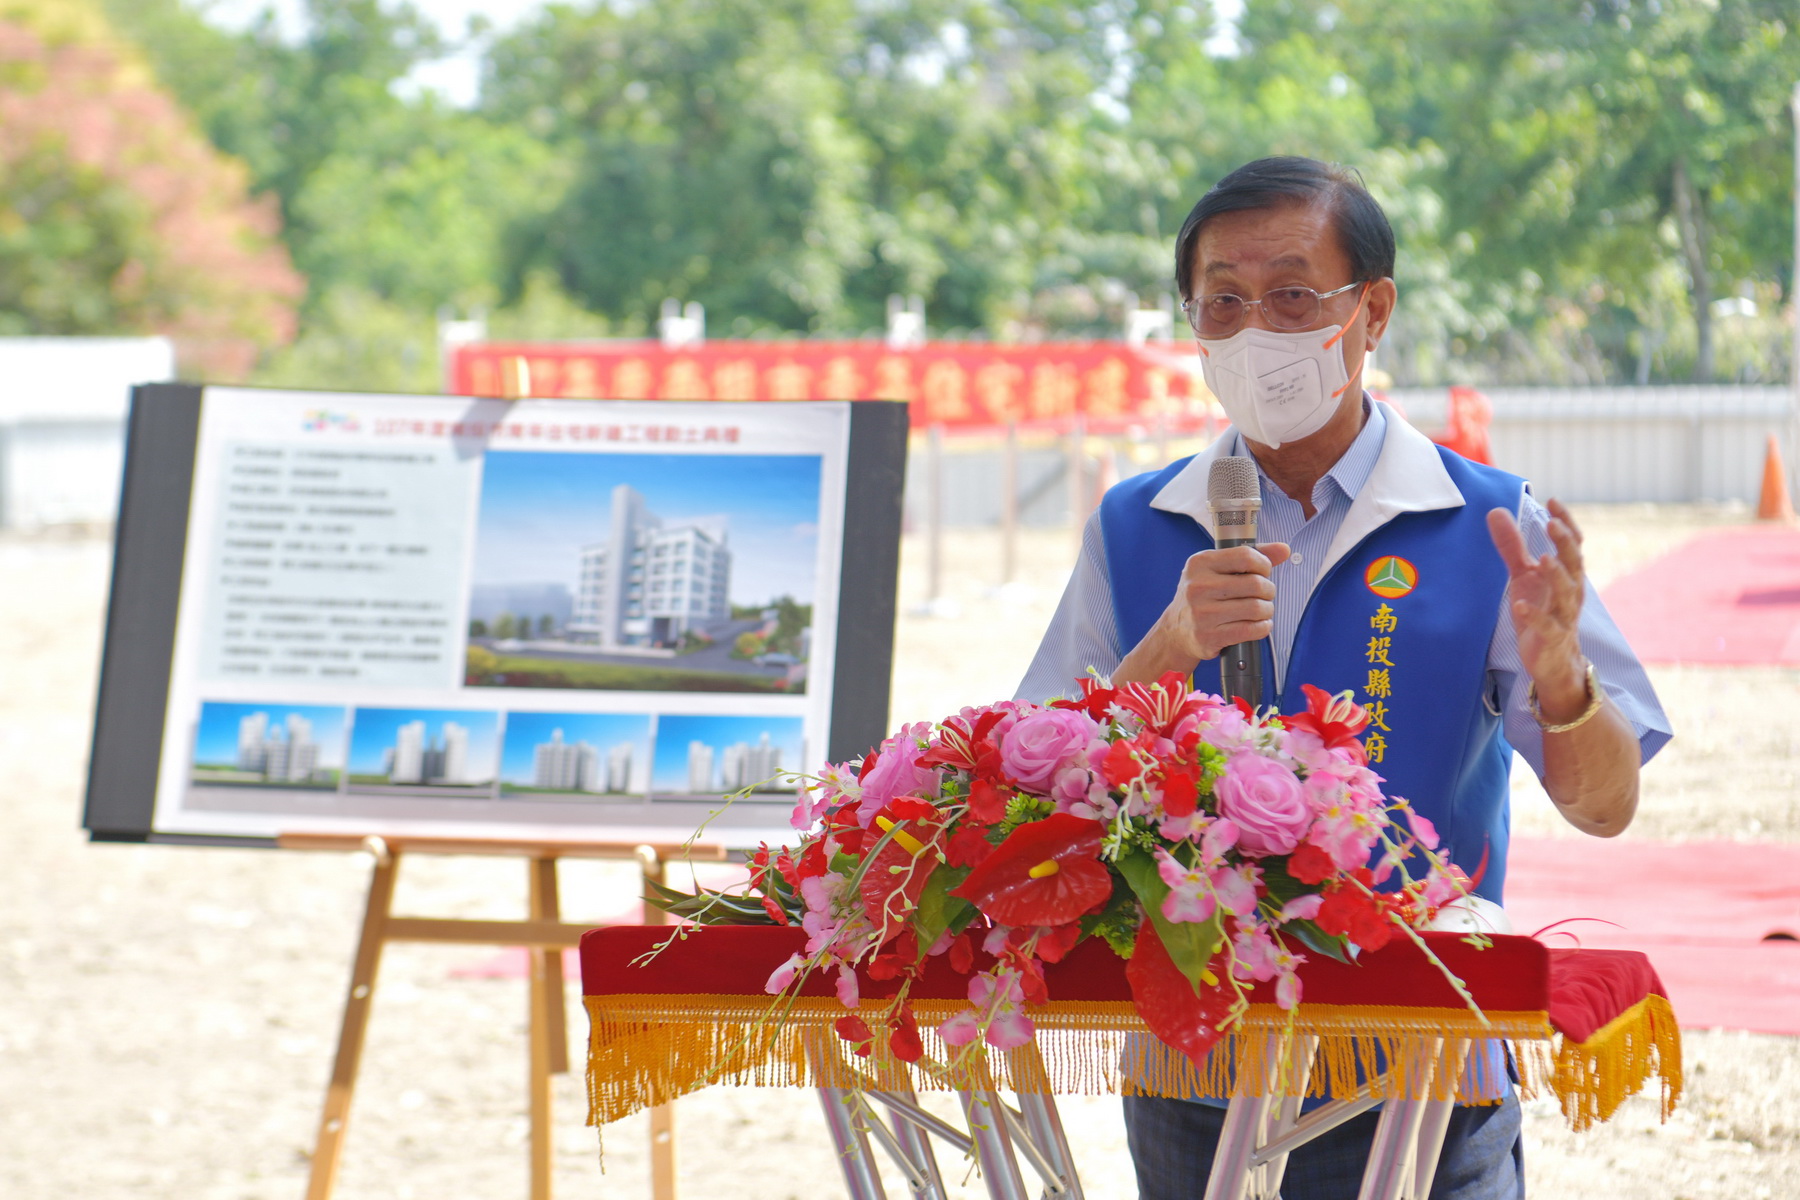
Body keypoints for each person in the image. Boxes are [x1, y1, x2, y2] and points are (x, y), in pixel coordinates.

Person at [1015, 156, 1671, 1199]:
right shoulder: (1135, 526)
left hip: (1418, 1063)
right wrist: (1163, 653)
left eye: (1290, 293)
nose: (1254, 330)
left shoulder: (1492, 523)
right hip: (1195, 1064)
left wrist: (1563, 680)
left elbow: (1606, 805)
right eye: (1221, 300)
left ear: (1373, 312)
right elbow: (1028, 797)